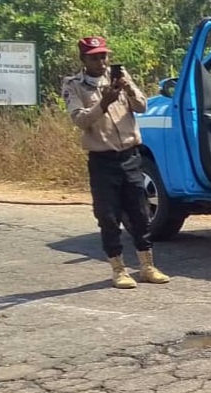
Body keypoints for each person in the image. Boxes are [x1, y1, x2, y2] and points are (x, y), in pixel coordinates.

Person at [62, 36, 169, 289]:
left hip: (131, 156)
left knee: (141, 214)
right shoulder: (73, 85)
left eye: (104, 56)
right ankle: (118, 269)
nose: (101, 61)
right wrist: (104, 103)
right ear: (83, 60)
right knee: (108, 217)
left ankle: (147, 266)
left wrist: (127, 88)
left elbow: (142, 106)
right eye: (94, 57)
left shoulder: (120, 77)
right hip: (103, 160)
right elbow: (79, 120)